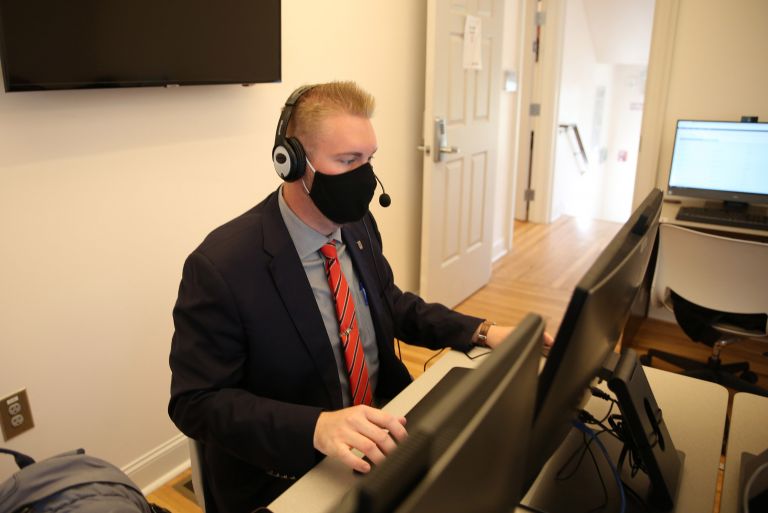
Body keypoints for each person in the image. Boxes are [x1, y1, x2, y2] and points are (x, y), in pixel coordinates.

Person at [168, 81, 521, 513]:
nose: (366, 178)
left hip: (382, 438)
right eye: (348, 160)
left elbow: (388, 302)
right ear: (292, 162)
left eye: (370, 159)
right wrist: (316, 427)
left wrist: (481, 331)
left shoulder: (355, 226)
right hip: (288, 474)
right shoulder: (222, 267)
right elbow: (196, 403)